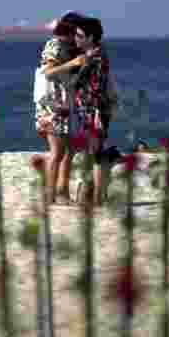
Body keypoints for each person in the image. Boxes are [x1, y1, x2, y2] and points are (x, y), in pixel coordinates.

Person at [35, 11, 87, 204]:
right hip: (52, 106)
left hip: (65, 104)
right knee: (57, 153)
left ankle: (62, 193)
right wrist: (73, 63)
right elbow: (47, 72)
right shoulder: (54, 45)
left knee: (68, 152)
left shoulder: (69, 46)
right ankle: (50, 195)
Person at [70, 16, 118, 206]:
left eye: (80, 36)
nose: (76, 39)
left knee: (94, 155)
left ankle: (96, 198)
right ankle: (96, 196)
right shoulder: (101, 54)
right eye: (76, 35)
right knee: (94, 153)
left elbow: (76, 84)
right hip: (96, 110)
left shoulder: (92, 58)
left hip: (93, 111)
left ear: (91, 38)